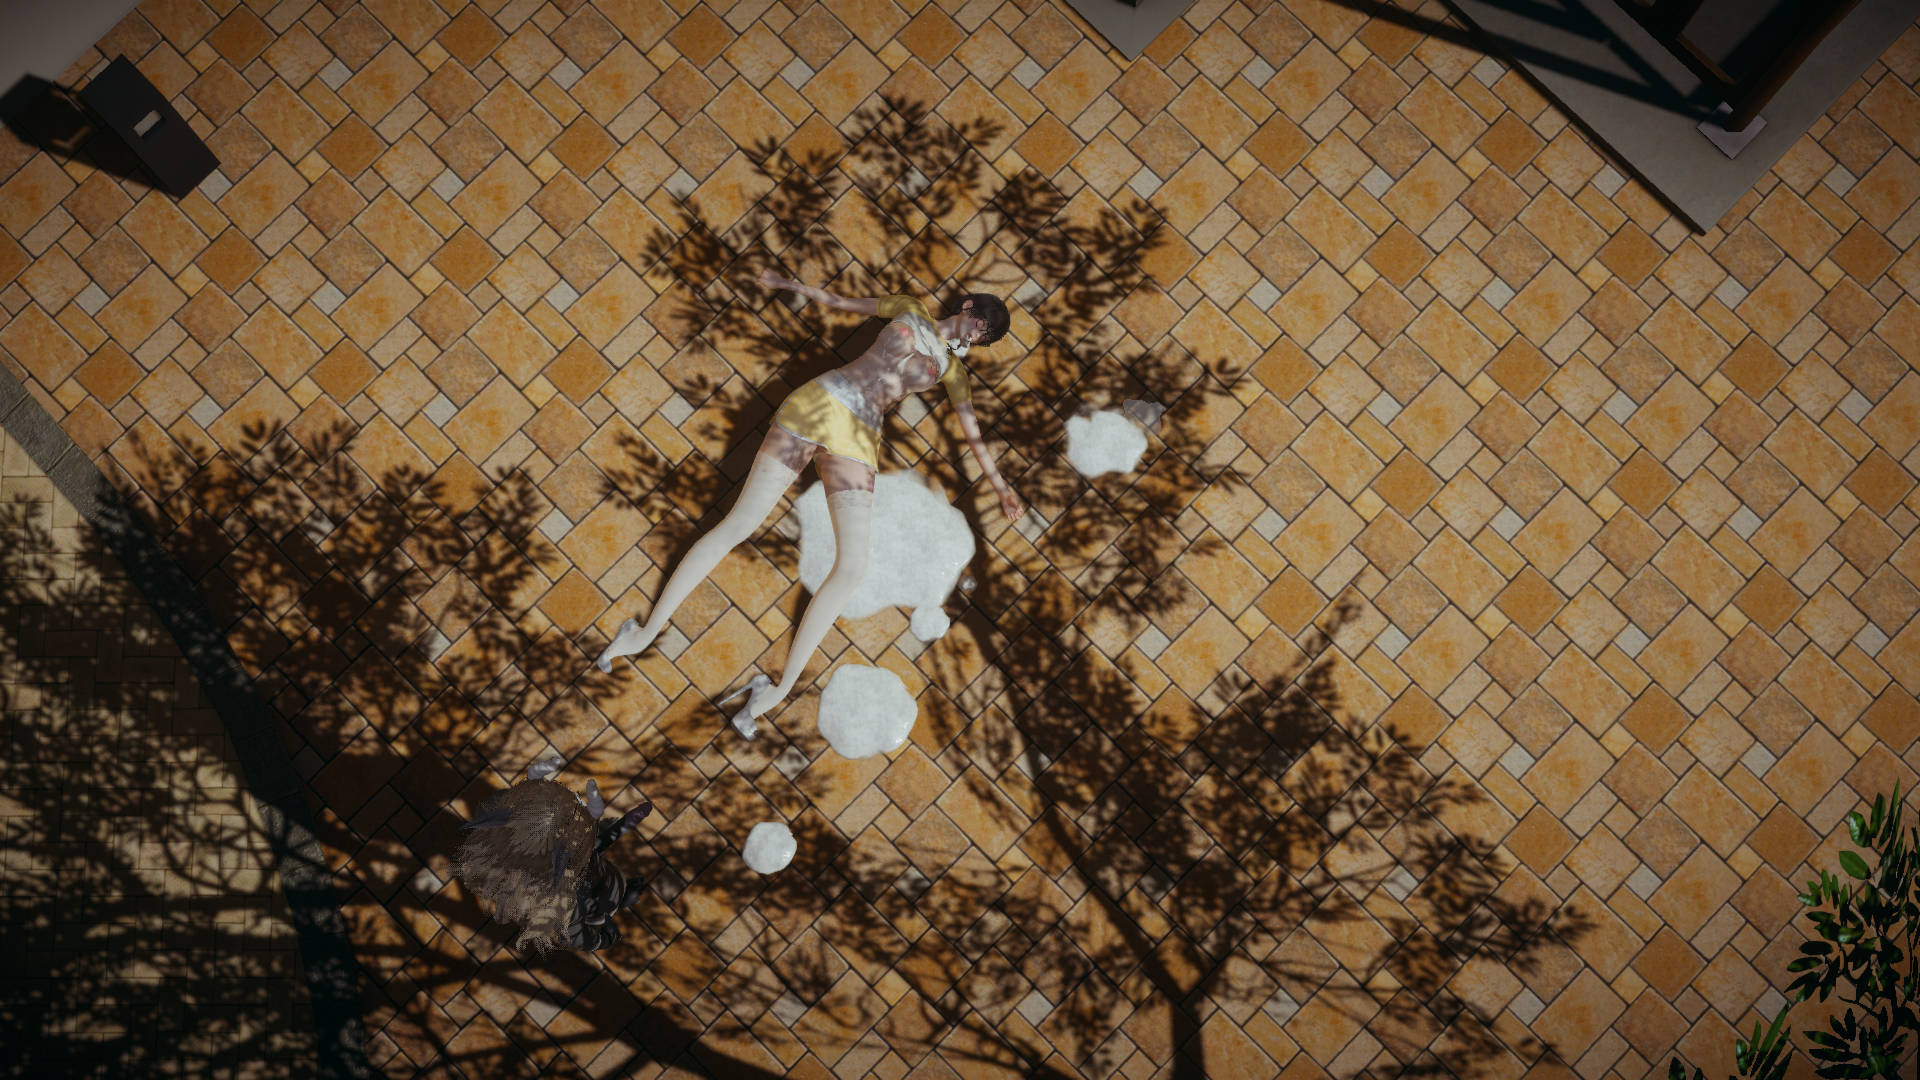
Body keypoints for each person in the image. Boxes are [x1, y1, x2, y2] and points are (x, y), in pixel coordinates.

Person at [596, 271, 1026, 737]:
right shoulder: (909, 307)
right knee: (739, 523)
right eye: (982, 323)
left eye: (986, 336)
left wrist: (1001, 487)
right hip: (819, 404)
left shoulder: (953, 371)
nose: (978, 334)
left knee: (853, 567)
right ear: (968, 307)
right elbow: (841, 301)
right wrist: (789, 285)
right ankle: (642, 634)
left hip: (859, 437)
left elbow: (973, 435)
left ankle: (775, 690)